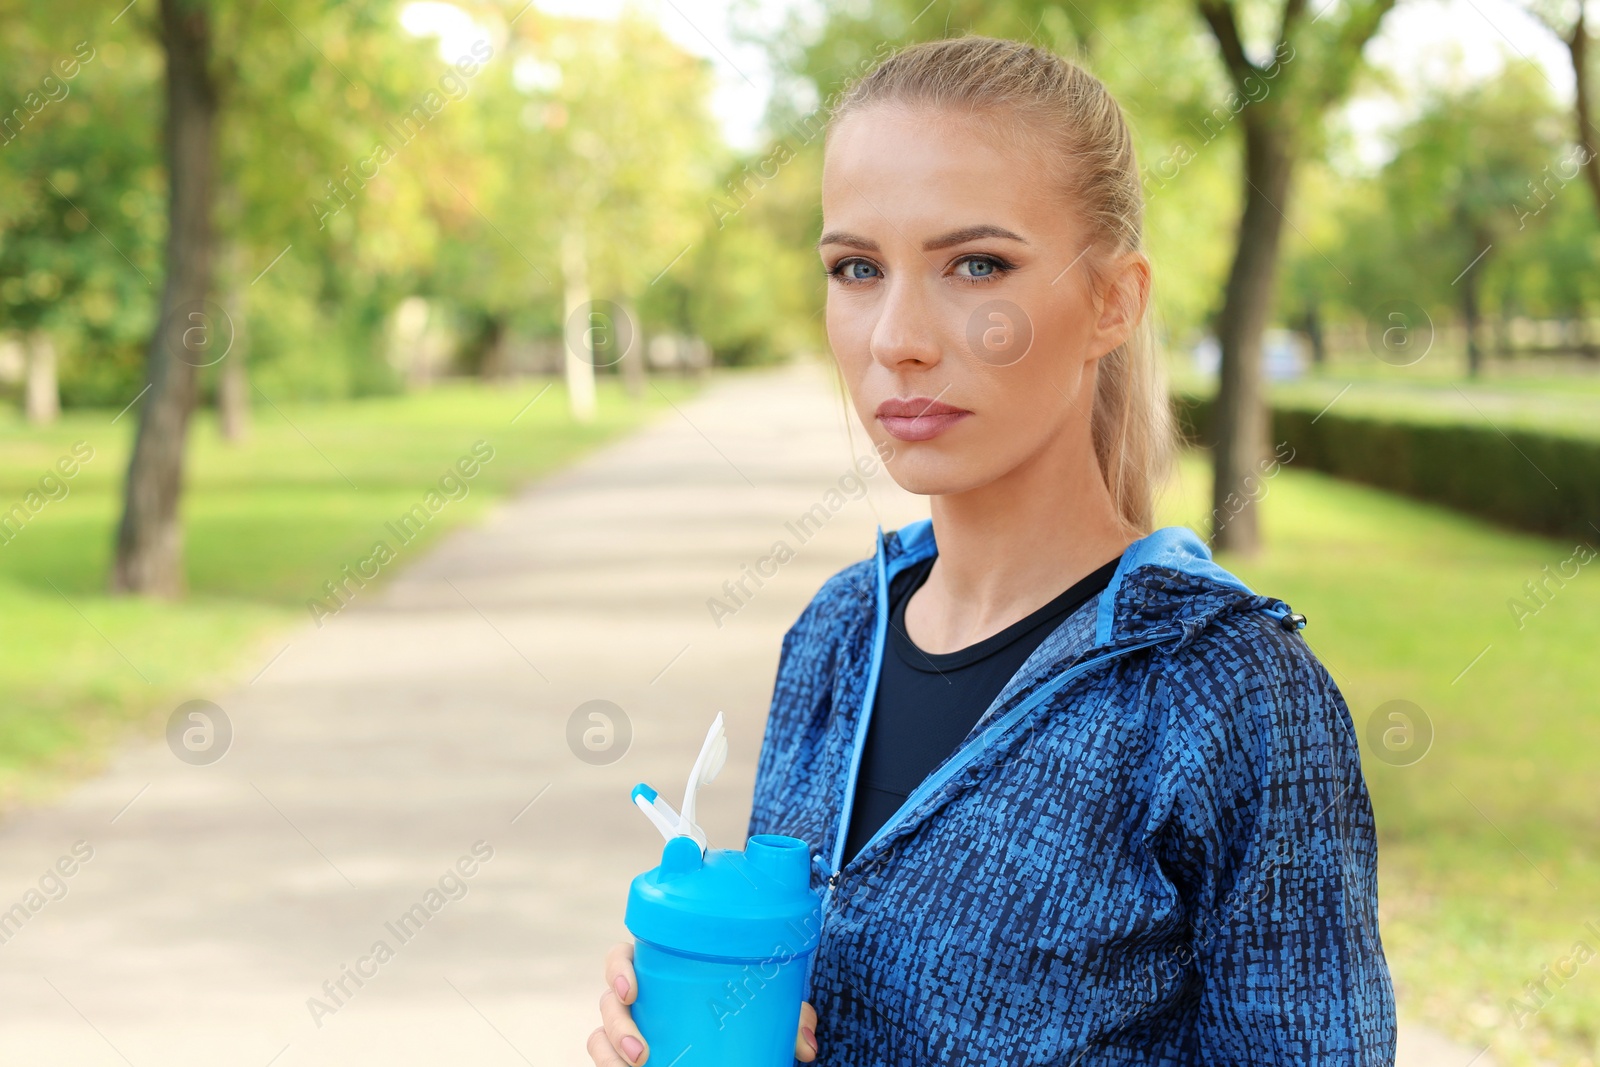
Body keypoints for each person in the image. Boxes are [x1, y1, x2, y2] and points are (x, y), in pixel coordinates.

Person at [589, 33, 1396, 1066]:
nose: (898, 336)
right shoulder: (835, 634)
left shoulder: (1227, 694)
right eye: (856, 268)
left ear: (1112, 300)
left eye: (976, 264)